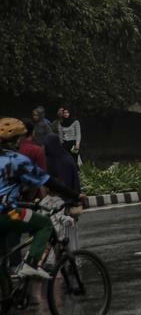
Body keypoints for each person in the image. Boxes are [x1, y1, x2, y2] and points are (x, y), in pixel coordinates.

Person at [0, 118, 85, 280]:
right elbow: (47, 181)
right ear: (16, 140)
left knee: (2, 259)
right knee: (44, 224)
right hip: (8, 213)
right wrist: (76, 195)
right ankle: (31, 264)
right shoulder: (15, 161)